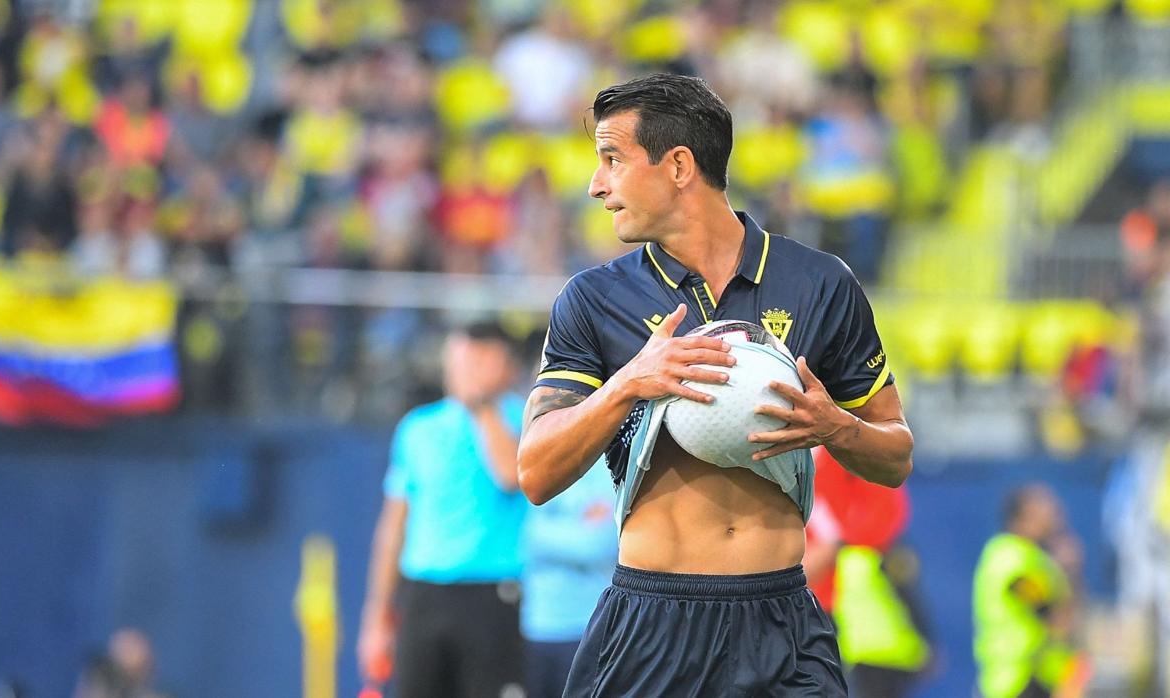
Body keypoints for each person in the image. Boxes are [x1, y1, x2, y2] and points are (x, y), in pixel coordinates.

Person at [517, 73, 913, 696]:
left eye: (613, 159)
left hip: (782, 623)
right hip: (652, 623)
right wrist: (629, 383)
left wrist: (836, 427)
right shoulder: (593, 300)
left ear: (678, 166)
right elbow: (536, 472)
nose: (596, 185)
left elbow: (895, 455)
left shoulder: (820, 283)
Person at [358, 322, 528, 698]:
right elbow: (394, 528)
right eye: (464, 357)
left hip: (493, 595)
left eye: (482, 359)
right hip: (424, 596)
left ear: (506, 366)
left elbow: (509, 475)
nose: (467, 368)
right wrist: (377, 614)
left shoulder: (527, 418)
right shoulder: (418, 428)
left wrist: (482, 407)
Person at [805, 447, 931, 698]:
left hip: (844, 617)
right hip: (803, 607)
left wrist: (835, 546)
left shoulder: (846, 448)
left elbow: (885, 515)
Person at [973, 484, 1089, 698]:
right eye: (1044, 505)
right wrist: (1070, 571)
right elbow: (1057, 620)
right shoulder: (1012, 558)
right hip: (1017, 682)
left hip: (1037, 681)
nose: (1054, 512)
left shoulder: (1034, 557)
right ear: (1023, 517)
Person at [520, 460, 618, 698]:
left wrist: (548, 529)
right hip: (539, 626)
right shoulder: (537, 467)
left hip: (593, 626)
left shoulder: (608, 467)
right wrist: (582, 527)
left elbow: (602, 544)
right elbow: (525, 536)